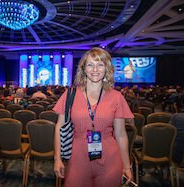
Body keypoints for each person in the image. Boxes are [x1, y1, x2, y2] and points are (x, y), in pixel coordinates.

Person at [53, 47, 134, 186]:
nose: (95, 69)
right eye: (90, 64)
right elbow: (59, 127)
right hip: (77, 157)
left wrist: (126, 166)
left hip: (110, 158)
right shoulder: (70, 94)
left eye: (100, 64)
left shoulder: (116, 97)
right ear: (84, 68)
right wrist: (57, 158)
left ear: (106, 68)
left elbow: (121, 134)